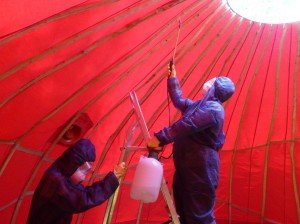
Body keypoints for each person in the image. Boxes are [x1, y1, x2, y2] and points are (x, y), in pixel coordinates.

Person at [147, 63, 235, 224]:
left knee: (199, 217)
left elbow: (188, 124)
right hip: (187, 169)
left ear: (216, 88)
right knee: (183, 213)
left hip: (201, 170)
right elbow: (179, 101)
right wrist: (173, 79)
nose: (209, 82)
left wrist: (161, 137)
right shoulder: (200, 105)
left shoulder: (214, 109)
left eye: (213, 81)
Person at [27, 138, 126, 224]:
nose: (83, 177)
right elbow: (82, 199)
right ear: (73, 163)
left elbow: (83, 193)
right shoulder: (55, 180)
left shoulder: (65, 176)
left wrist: (112, 179)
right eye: (82, 169)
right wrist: (112, 178)